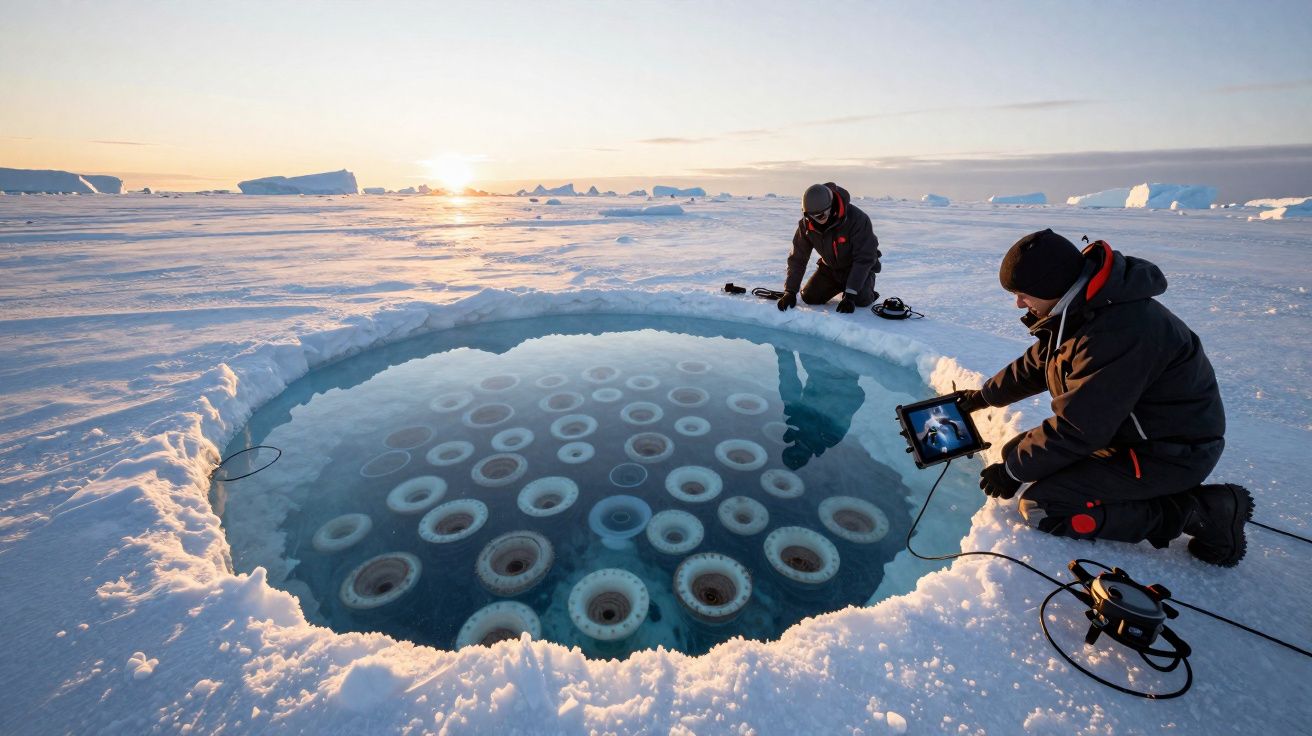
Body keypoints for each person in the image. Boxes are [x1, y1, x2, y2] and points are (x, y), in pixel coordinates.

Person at [957, 229, 1252, 566]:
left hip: (1171, 454)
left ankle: (1201, 512)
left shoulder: (1118, 332)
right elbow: (1038, 363)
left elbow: (1079, 429)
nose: (1019, 304)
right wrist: (983, 397)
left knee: (1043, 508)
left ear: (1051, 286)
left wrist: (1011, 473)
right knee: (1017, 454)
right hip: (1131, 436)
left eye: (1023, 294)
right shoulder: (1084, 307)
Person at [777, 183, 881, 313]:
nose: (814, 220)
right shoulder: (806, 225)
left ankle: (865, 289)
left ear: (830, 207)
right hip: (830, 269)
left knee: (861, 300)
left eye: (820, 216)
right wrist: (790, 291)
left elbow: (864, 258)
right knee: (809, 297)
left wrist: (850, 294)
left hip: (856, 268)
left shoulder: (857, 219)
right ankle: (841, 287)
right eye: (809, 216)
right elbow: (798, 258)